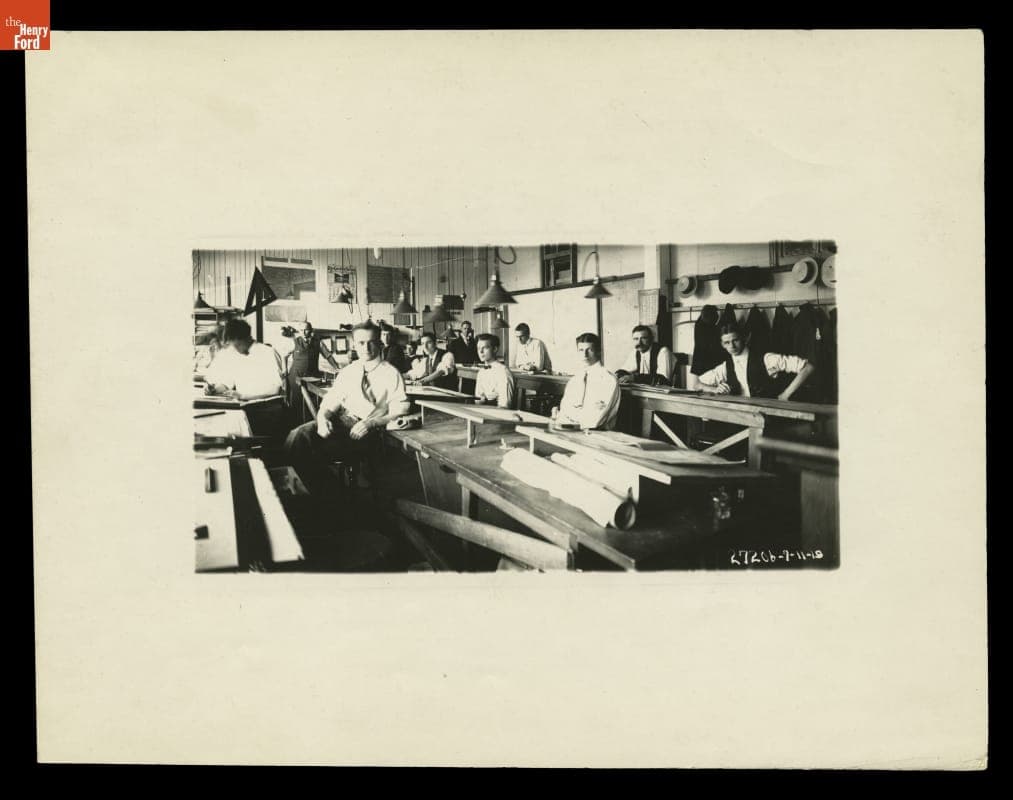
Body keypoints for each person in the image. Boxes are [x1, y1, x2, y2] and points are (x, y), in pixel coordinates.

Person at [284, 321, 410, 501]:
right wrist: (322, 417)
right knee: (295, 438)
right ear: (354, 345)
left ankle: (334, 499)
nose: (366, 347)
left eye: (371, 342)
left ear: (379, 343)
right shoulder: (349, 371)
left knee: (307, 450)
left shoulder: (391, 374)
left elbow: (400, 410)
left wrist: (371, 422)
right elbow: (331, 400)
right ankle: (333, 496)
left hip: (371, 431)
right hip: (343, 422)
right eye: (360, 343)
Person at [692, 322, 815, 400]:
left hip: (770, 418)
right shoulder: (726, 367)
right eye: (727, 342)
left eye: (735, 340)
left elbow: (808, 367)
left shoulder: (767, 359)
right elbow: (697, 384)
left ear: (744, 338)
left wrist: (786, 394)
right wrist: (715, 389)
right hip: (744, 419)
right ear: (722, 345)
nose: (732, 346)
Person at [553, 333, 621, 430]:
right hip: (571, 430)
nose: (584, 354)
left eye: (589, 350)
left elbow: (595, 420)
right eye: (581, 350)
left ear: (598, 352)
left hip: (598, 434)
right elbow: (564, 410)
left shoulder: (608, 380)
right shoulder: (575, 379)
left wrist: (571, 417)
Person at [204, 318, 284, 400]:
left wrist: (244, 396)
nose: (235, 349)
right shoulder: (237, 355)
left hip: (267, 407)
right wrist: (214, 389)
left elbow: (276, 389)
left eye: (237, 345)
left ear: (247, 338)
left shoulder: (268, 352)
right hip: (244, 403)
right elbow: (228, 383)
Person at [283, 321, 338, 419]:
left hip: (313, 378)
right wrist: (285, 370)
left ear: (311, 330)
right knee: (296, 403)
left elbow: (328, 356)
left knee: (312, 404)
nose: (304, 333)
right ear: (298, 331)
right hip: (295, 377)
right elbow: (284, 356)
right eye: (301, 330)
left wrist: (337, 368)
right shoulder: (294, 342)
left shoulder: (318, 343)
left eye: (306, 330)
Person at [473, 333, 516, 409]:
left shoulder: (503, 372)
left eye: (485, 348)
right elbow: (478, 400)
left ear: (495, 349)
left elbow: (504, 405)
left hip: (498, 415)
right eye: (478, 348)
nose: (481, 351)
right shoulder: (481, 372)